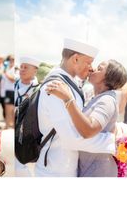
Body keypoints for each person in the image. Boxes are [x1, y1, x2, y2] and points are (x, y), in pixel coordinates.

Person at [35, 38, 116, 177]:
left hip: (64, 167)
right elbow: (71, 138)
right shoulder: (56, 85)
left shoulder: (68, 82)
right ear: (76, 59)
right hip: (54, 171)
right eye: (89, 62)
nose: (91, 68)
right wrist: (112, 141)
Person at [46, 59, 127, 177]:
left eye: (99, 69)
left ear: (108, 78)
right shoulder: (99, 98)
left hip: (99, 171)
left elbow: (89, 130)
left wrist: (68, 99)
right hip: (91, 168)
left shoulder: (107, 100)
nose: (93, 69)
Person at [14, 55, 41, 177]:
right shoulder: (14, 84)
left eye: (26, 67)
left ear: (35, 70)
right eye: (21, 67)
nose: (22, 70)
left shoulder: (39, 89)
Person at [2, 55, 15, 129]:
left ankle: (13, 125)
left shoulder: (14, 69)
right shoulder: (7, 68)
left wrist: (6, 74)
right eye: (10, 59)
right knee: (7, 109)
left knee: (13, 110)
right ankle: (7, 125)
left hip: (12, 91)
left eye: (13, 59)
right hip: (7, 91)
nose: (11, 61)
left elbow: (13, 79)